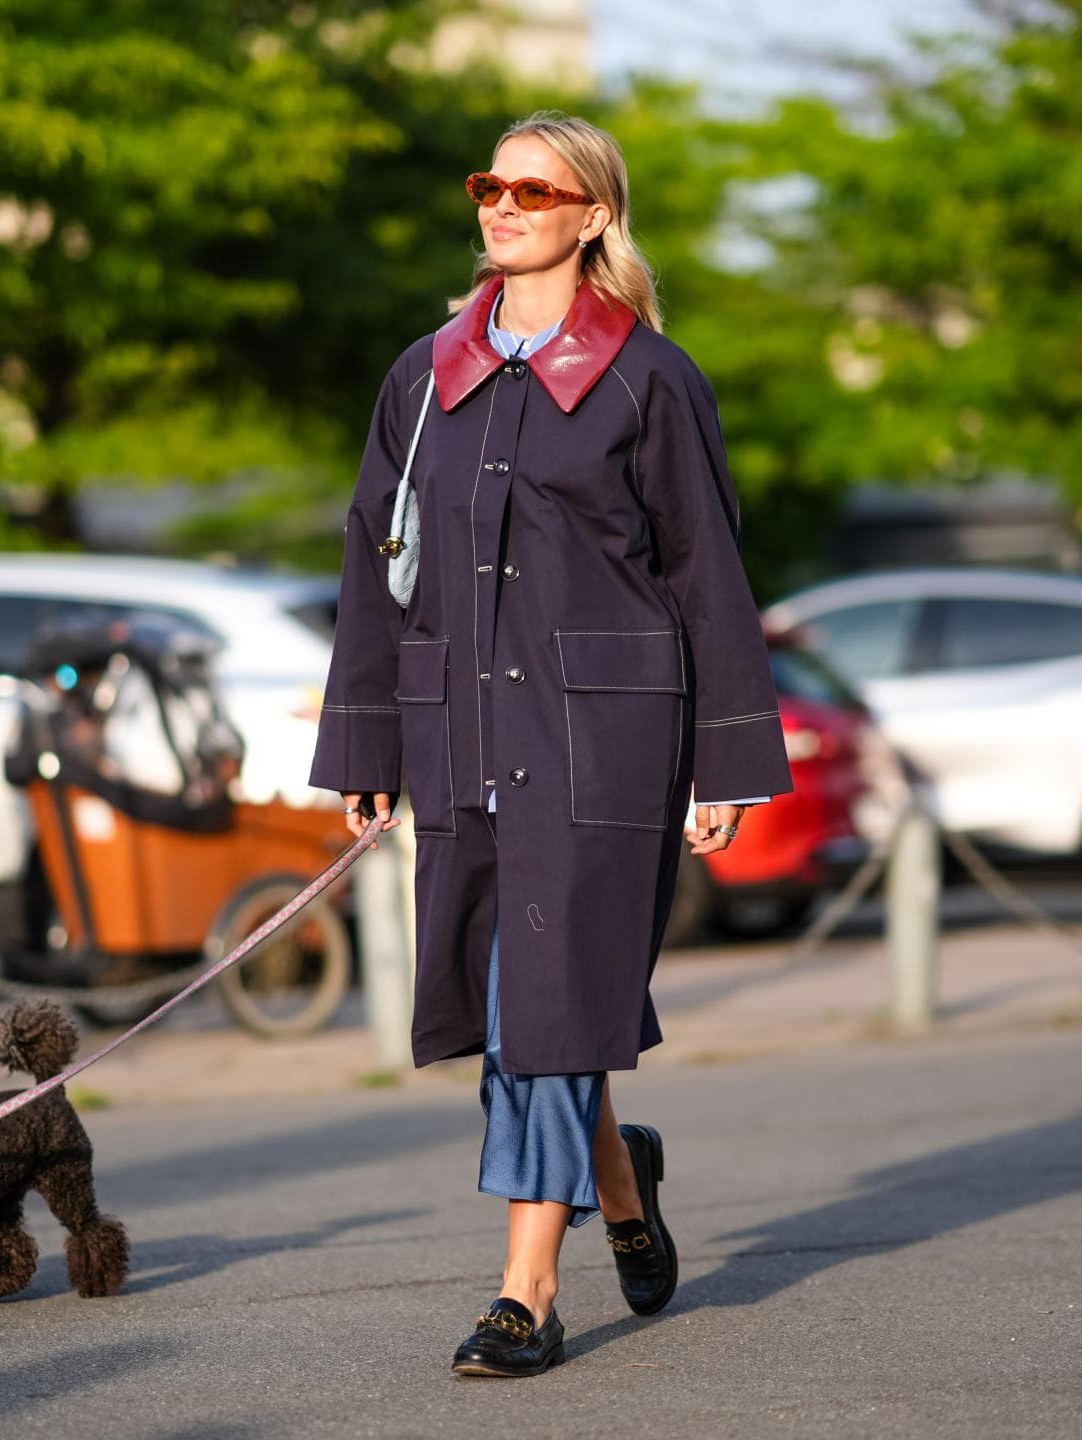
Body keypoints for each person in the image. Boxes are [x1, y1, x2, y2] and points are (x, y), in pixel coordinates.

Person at [308, 112, 795, 1378]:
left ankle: (525, 1292)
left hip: (608, 743)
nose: (506, 204)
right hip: (459, 724)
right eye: (492, 183)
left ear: (593, 216)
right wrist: (366, 736)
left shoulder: (652, 377)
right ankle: (622, 1185)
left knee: (543, 1006)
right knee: (528, 998)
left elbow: (709, 574)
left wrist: (728, 761)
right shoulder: (422, 378)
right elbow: (375, 563)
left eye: (538, 187)